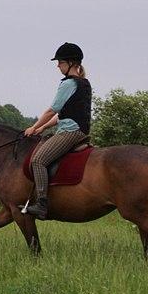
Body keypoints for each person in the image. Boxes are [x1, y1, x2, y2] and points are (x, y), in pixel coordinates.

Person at [23, 42, 92, 219]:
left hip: (71, 132)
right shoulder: (84, 83)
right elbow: (64, 114)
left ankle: (42, 204)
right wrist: (44, 127)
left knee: (38, 160)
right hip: (78, 129)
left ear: (70, 63)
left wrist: (34, 127)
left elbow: (52, 110)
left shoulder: (68, 83)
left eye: (60, 62)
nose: (58, 66)